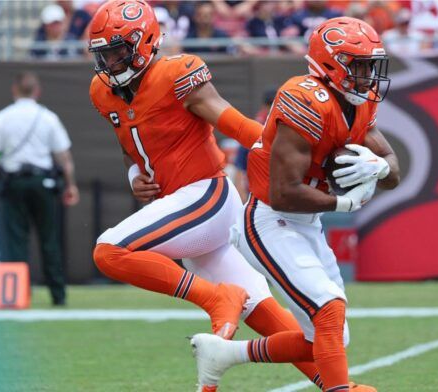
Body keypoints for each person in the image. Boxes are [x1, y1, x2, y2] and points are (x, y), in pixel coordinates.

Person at [87, 2, 336, 390]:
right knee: (273, 319)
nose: (111, 62)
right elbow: (130, 145)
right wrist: (135, 172)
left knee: (110, 251)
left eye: (118, 50)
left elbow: (233, 122)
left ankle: (216, 299)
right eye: (104, 53)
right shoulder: (103, 91)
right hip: (186, 215)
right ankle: (340, 386)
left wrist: (301, 155)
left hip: (207, 196)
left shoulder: (175, 72)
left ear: (145, 42)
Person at [190, 17, 400, 392]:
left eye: (372, 65)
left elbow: (393, 174)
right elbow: (284, 191)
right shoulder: (303, 98)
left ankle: (223, 354)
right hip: (269, 220)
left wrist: (382, 164)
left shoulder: (359, 105)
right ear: (331, 63)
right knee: (329, 308)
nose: (368, 75)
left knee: (331, 335)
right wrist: (344, 203)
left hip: (306, 223)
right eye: (360, 65)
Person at [0, 72, 79, 306]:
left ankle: (17, 294)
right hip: (42, 183)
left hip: (13, 183)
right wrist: (70, 184)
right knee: (49, 239)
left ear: (14, 90)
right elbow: (63, 156)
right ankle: (58, 295)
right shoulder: (48, 118)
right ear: (37, 91)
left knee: (16, 240)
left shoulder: (2, 118)